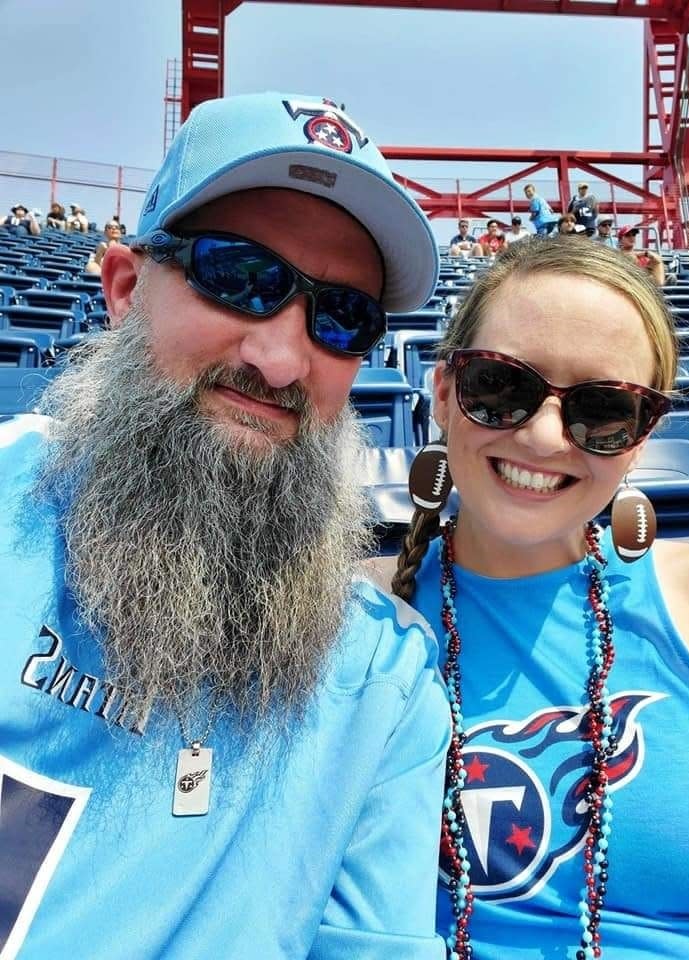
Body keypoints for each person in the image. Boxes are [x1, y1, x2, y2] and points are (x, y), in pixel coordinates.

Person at [0, 91, 450, 958]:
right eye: (238, 277)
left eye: (342, 317)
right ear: (126, 288)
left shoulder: (384, 689)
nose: (280, 358)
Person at [379, 238, 689, 959]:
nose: (541, 436)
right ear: (443, 392)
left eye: (602, 411)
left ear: (640, 439)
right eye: (500, 389)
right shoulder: (356, 618)